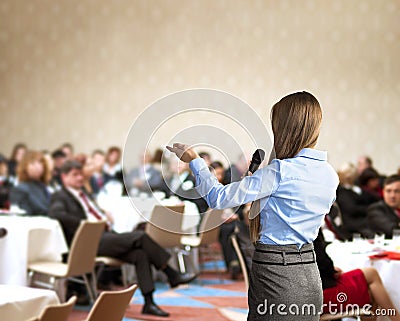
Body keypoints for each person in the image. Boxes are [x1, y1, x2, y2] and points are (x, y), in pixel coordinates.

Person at [167, 91, 339, 320]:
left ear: (284, 127)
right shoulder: (329, 174)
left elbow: (218, 198)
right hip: (310, 272)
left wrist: (195, 161)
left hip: (276, 272)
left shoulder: (279, 172)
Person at [49, 160, 197, 317]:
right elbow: (56, 214)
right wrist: (87, 223)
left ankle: (149, 302)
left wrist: (102, 214)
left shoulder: (84, 194)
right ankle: (171, 273)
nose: (79, 178)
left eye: (80, 174)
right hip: (88, 241)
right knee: (140, 237)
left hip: (105, 236)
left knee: (141, 254)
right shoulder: (60, 196)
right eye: (74, 175)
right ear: (64, 177)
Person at [314, 228, 400, 320]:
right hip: (318, 298)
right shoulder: (310, 228)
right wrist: (331, 270)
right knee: (371, 277)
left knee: (372, 288)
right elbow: (320, 259)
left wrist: (330, 269)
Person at [336, 163, 374, 238]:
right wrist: (371, 208)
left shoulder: (357, 188)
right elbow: (352, 209)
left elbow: (373, 198)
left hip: (365, 218)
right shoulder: (342, 192)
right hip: (353, 222)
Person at [10, 151, 52, 215]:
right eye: (33, 163)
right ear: (25, 166)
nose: (38, 167)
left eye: (40, 163)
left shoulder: (44, 188)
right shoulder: (20, 189)